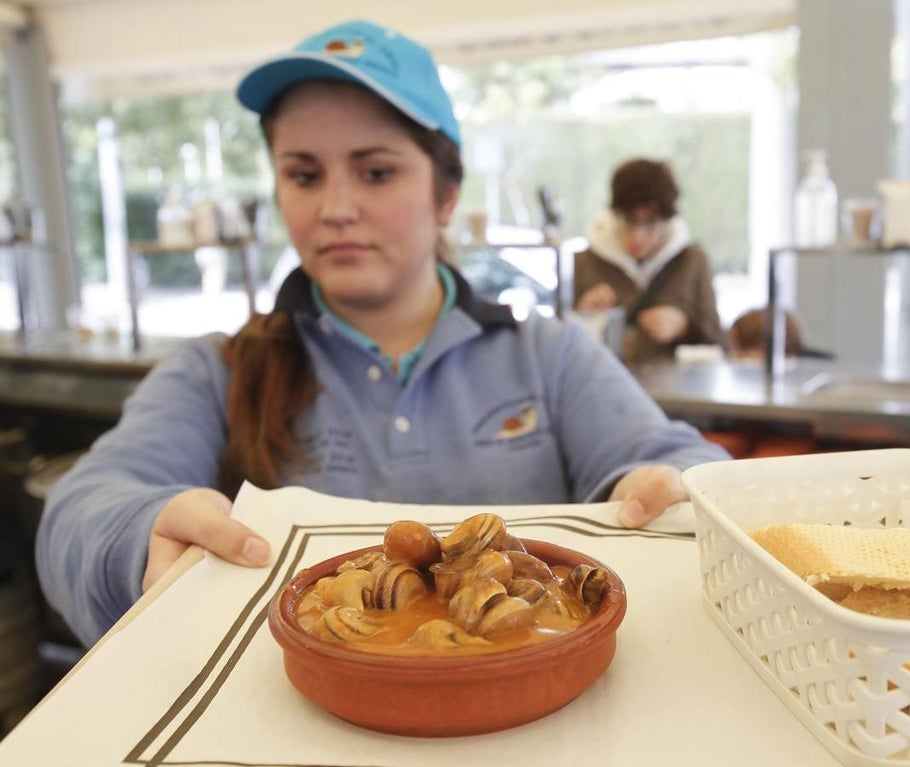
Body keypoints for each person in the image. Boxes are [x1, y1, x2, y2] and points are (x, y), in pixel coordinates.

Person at [35, 20, 729, 647]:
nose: (336, 208)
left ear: (446, 195)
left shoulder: (550, 356)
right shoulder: (216, 370)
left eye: (376, 171)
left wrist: (666, 490)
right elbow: (84, 504)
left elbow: (681, 465)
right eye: (303, 174)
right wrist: (138, 533)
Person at [573, 159, 724, 363]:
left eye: (650, 223)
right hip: (604, 387)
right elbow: (562, 343)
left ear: (668, 218)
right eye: (629, 220)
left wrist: (684, 326)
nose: (637, 236)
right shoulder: (586, 261)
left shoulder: (692, 261)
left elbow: (718, 342)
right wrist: (584, 318)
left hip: (676, 390)